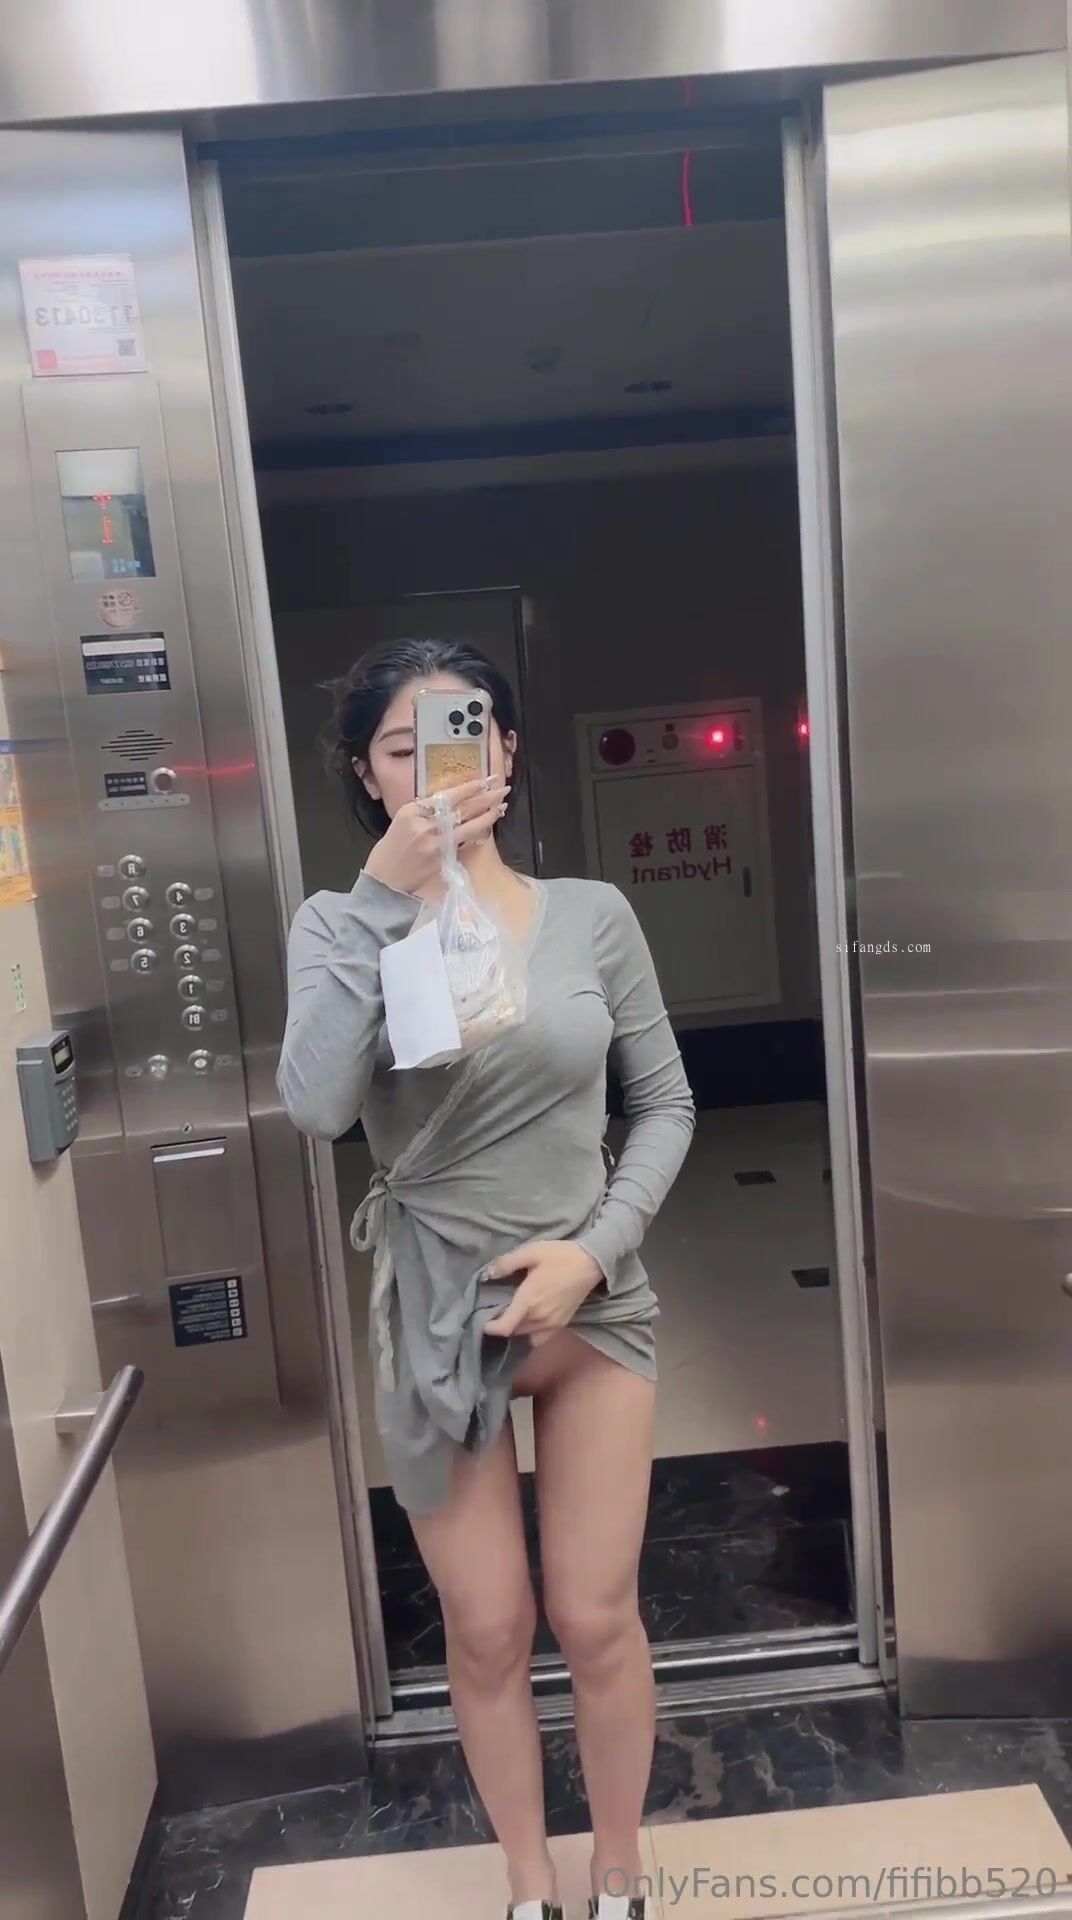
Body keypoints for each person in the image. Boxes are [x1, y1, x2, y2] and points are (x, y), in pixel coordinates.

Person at [278, 638, 694, 1920]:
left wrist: (592, 1251)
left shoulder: (592, 914)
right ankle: (527, 1882)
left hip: (592, 1316)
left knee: (597, 1616)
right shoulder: (335, 924)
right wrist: (379, 897)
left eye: (459, 738)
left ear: (506, 751)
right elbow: (316, 1105)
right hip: (437, 1322)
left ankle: (617, 1871)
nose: (433, 771)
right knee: (487, 1630)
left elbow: (665, 1104)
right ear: (365, 773)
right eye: (401, 749)